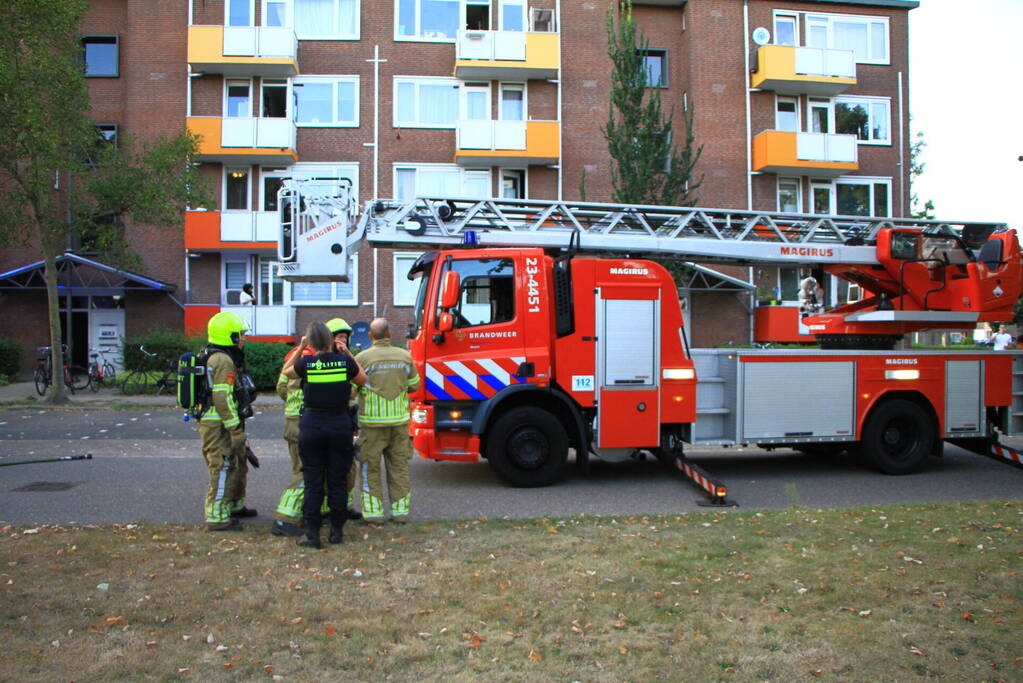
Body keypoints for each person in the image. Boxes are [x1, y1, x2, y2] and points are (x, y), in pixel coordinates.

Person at [283, 321, 366, 548]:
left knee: (313, 481)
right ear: (331, 340)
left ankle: (312, 533)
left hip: (312, 426)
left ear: (311, 342)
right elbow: (362, 378)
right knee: (338, 480)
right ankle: (337, 532)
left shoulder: (307, 364)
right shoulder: (344, 362)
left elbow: (286, 372)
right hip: (339, 425)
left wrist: (301, 348)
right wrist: (347, 352)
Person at [356, 318, 421, 524]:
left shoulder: (362, 358)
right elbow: (415, 385)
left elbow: (353, 388)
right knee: (399, 468)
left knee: (369, 469)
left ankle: (373, 515)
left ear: (370, 336)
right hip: (399, 424)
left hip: (371, 425)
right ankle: (400, 513)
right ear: (390, 334)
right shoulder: (404, 356)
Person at [199, 311, 256, 531]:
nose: (243, 339)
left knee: (235, 464)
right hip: (219, 424)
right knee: (222, 466)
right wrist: (234, 428)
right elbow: (222, 397)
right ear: (229, 336)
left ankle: (233, 505)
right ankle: (217, 518)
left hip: (218, 421)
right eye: (240, 335)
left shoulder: (215, 355)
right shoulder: (222, 360)